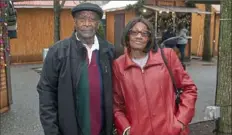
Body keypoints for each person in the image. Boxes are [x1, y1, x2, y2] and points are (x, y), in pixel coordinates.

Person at [37, 3, 114, 135]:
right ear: (75, 22)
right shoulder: (58, 52)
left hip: (102, 129)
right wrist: (52, 131)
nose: (87, 23)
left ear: (98, 23)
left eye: (92, 19)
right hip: (70, 130)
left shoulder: (109, 51)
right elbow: (46, 92)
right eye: (82, 19)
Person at [113, 17, 197, 135]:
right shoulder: (118, 65)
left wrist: (181, 121)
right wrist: (126, 128)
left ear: (149, 38)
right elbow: (117, 104)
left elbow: (189, 89)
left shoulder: (167, 56)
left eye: (144, 33)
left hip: (170, 131)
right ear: (127, 35)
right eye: (134, 32)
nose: (139, 36)